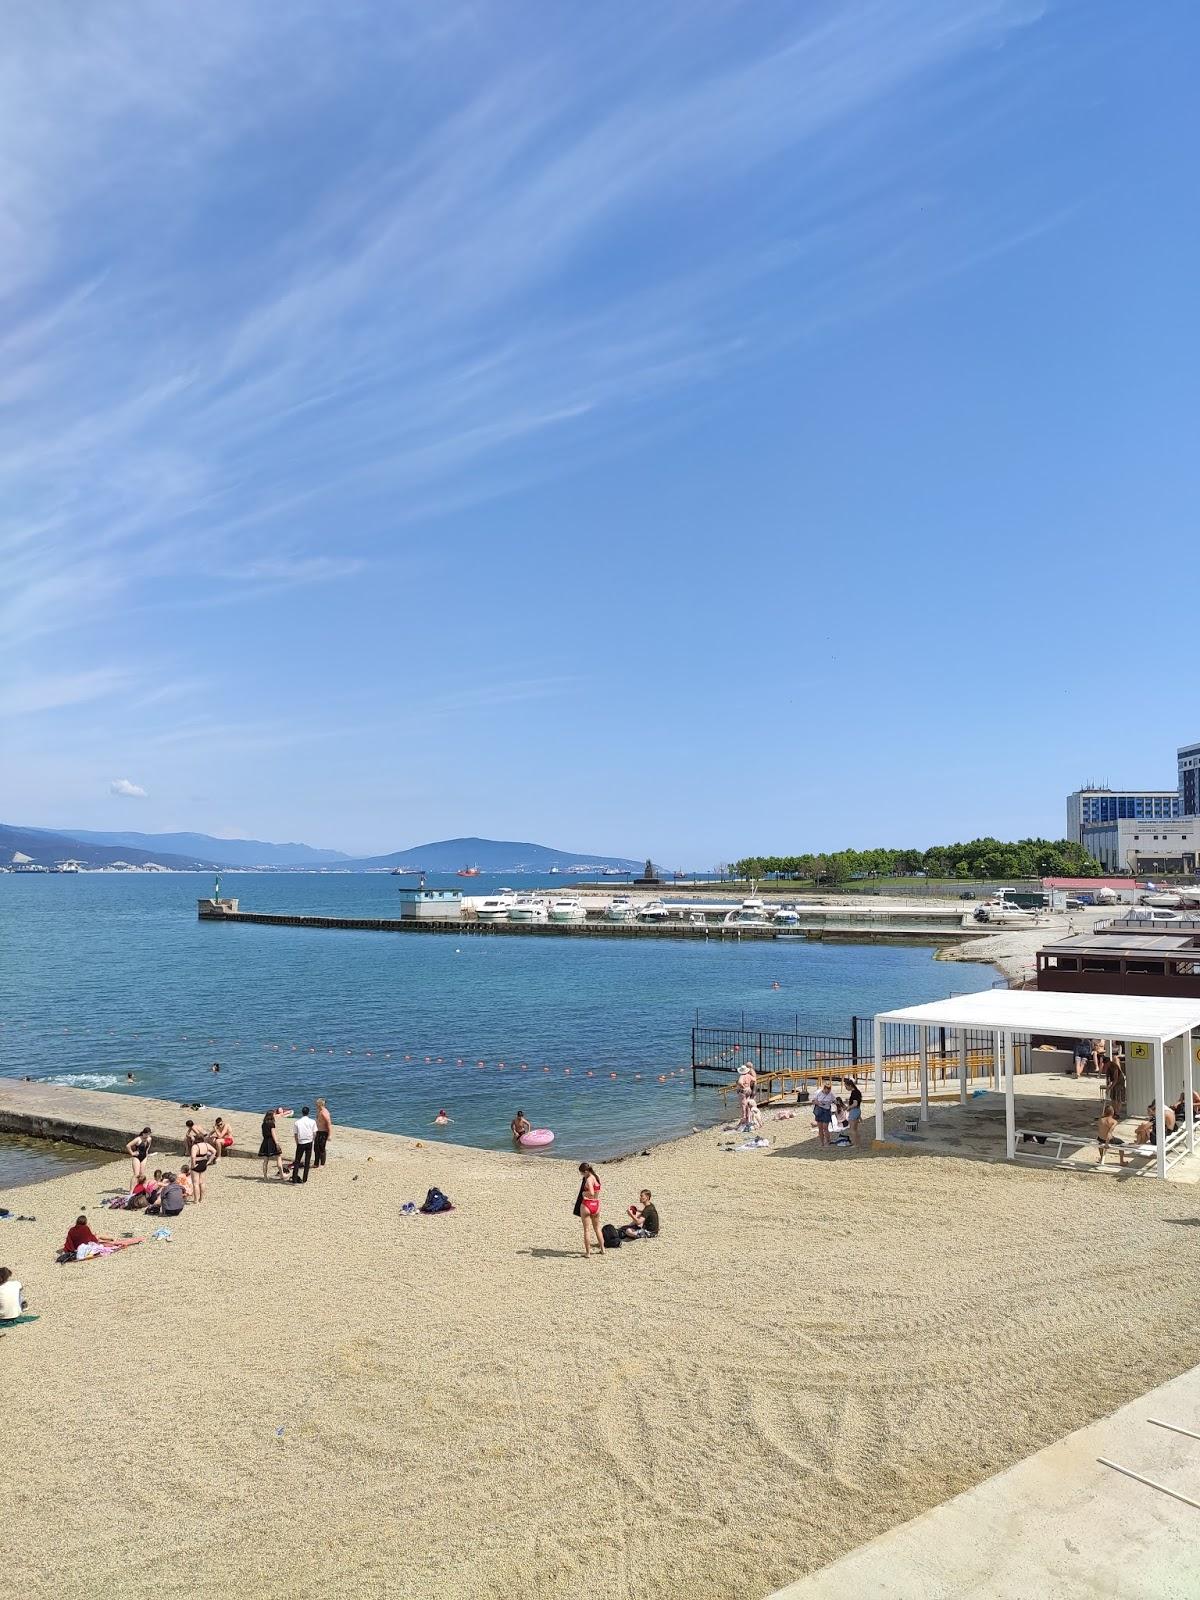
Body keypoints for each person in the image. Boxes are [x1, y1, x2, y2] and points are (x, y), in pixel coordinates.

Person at [63, 1216, 137, 1259]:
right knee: (98, 1236)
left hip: (76, 1247)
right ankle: (113, 1239)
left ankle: (112, 1239)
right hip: (86, 1245)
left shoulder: (72, 1229)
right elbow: (91, 1238)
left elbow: (69, 1241)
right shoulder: (85, 1228)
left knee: (97, 1236)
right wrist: (90, 1228)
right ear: (84, 1222)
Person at [575, 1162, 604, 1256]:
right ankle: (603, 1249)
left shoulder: (588, 1180)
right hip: (596, 1204)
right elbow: (597, 1190)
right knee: (597, 1228)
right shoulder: (597, 1177)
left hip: (587, 1205)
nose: (582, 1175)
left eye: (582, 1173)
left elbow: (591, 1192)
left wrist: (584, 1194)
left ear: (586, 1171)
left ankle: (588, 1253)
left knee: (587, 1230)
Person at [259, 1108, 286, 1180]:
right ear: (271, 1116)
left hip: (265, 1142)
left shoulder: (263, 1124)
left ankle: (265, 1177)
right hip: (271, 1141)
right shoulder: (272, 1124)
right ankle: (282, 1175)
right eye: (274, 1114)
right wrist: (277, 1143)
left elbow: (263, 1134)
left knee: (265, 1160)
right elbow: (273, 1134)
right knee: (278, 1157)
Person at [292, 1106, 317, 1183]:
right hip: (309, 1142)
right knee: (307, 1161)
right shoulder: (312, 1121)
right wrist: (312, 1140)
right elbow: (314, 1133)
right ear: (308, 1113)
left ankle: (295, 1178)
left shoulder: (297, 1122)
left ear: (302, 1112)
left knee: (297, 1161)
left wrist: (297, 1142)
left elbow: (295, 1134)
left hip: (301, 1142)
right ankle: (305, 1179)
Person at [189, 1134, 217, 1203]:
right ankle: (201, 1199)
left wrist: (193, 1165)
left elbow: (193, 1157)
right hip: (204, 1163)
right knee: (202, 1183)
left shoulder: (195, 1147)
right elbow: (214, 1151)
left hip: (197, 1163)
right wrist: (209, 1161)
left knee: (195, 1183)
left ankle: (196, 1200)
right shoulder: (206, 1145)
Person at [1097, 1103, 1126, 1167]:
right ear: (1112, 1112)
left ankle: (1101, 1158)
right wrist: (1107, 1144)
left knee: (1100, 1143)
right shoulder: (1113, 1121)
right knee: (1122, 1144)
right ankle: (1122, 1161)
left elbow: (1100, 1129)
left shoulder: (1100, 1119)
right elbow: (1109, 1133)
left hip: (1100, 1138)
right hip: (1107, 1140)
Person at [812, 1080, 835, 1146]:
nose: (827, 1092)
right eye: (826, 1090)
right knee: (820, 1128)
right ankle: (822, 1143)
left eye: (829, 1090)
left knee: (825, 1127)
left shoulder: (831, 1094)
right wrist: (819, 1103)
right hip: (819, 1110)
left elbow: (834, 1100)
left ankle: (828, 1141)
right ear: (824, 1088)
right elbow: (813, 1100)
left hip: (826, 1111)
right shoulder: (818, 1092)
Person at [842, 1076, 864, 1146]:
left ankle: (855, 1144)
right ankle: (858, 1143)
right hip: (857, 1111)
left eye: (846, 1087)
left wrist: (849, 1107)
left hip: (854, 1111)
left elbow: (855, 1103)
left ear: (850, 1085)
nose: (846, 1088)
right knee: (855, 1129)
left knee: (852, 1129)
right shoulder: (857, 1092)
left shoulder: (854, 1093)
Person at [314, 1098, 333, 1168]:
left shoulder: (324, 1112)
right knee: (316, 1148)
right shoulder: (319, 1111)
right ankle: (316, 1163)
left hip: (323, 1132)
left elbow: (329, 1123)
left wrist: (330, 1135)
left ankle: (322, 1164)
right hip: (318, 1132)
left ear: (320, 1104)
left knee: (321, 1148)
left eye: (316, 1103)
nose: (315, 1105)